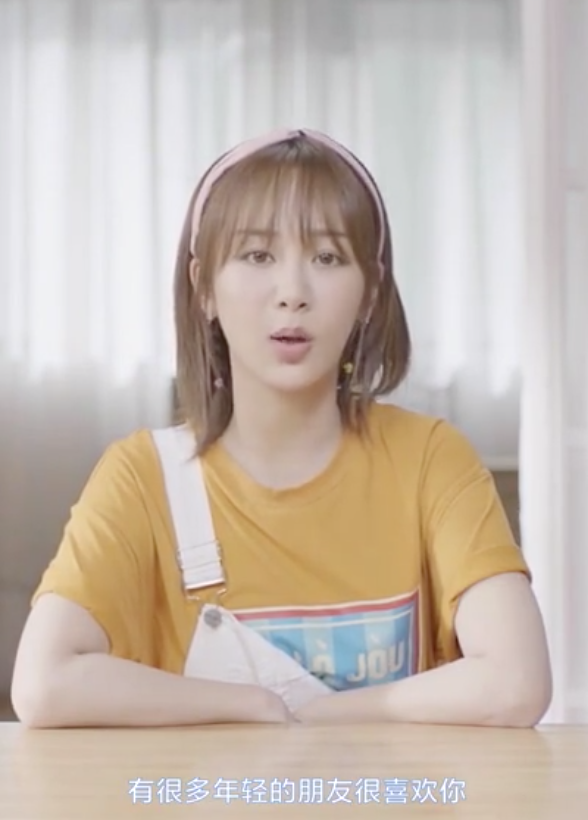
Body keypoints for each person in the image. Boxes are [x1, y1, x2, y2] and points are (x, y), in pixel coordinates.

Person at [11, 128, 552, 729]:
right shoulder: (142, 478)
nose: (293, 293)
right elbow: (43, 685)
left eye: (327, 258)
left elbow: (517, 683)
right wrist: (252, 706)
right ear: (203, 287)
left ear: (370, 292)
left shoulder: (429, 458)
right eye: (257, 255)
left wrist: (324, 717)